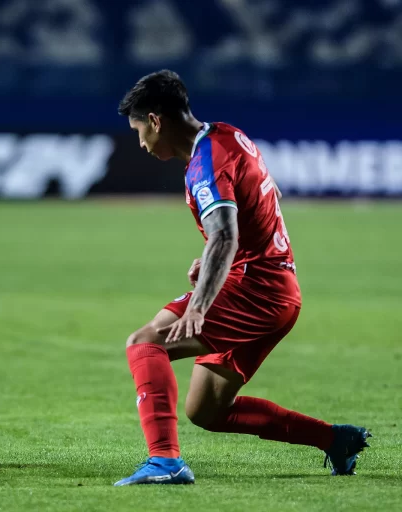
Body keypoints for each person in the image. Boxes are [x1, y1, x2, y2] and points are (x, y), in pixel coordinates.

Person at [113, 70, 371, 486]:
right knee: (206, 411)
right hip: (278, 290)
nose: (141, 143)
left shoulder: (204, 164)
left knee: (144, 342)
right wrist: (217, 259)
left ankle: (165, 462)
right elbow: (269, 198)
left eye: (139, 130)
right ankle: (335, 440)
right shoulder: (228, 136)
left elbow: (226, 234)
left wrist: (200, 303)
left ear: (157, 120)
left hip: (256, 291)